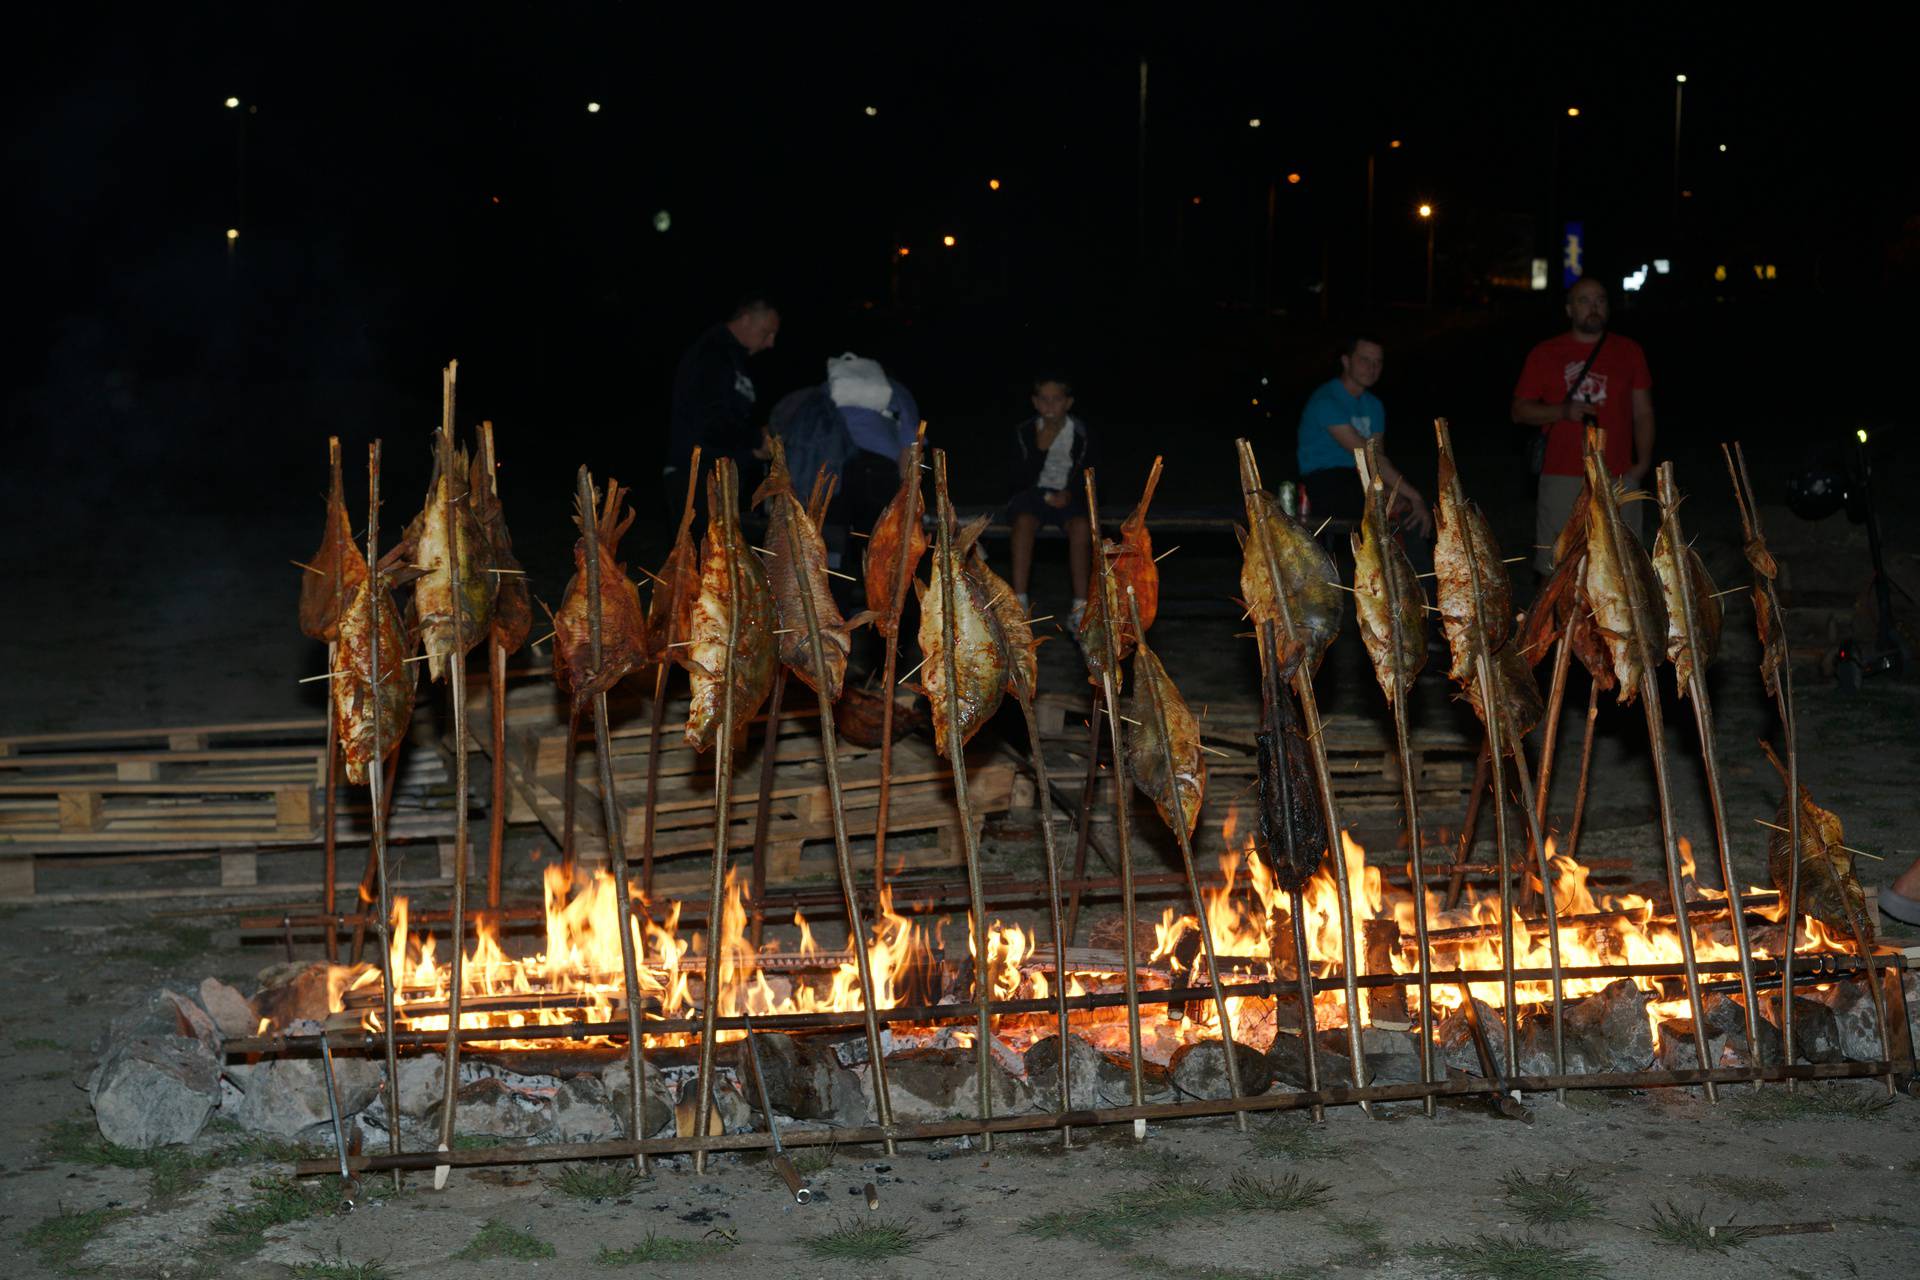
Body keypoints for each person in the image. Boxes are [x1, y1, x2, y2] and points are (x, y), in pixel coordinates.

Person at [1512, 277, 1655, 573]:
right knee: (1560, 564)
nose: (1594, 307)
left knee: (1624, 566)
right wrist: (1563, 411)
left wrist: (1641, 464)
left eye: (1600, 300)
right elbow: (1519, 412)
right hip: (1563, 474)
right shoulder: (1545, 353)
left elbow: (1643, 412)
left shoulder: (1629, 351)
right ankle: (1561, 621)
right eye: (1584, 300)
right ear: (1569, 309)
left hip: (1617, 473)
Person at [1295, 334, 1432, 537]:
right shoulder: (1326, 400)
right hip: (1325, 479)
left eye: (1378, 362)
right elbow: (1370, 456)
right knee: (1392, 506)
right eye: (1365, 360)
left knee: (1410, 514)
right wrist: (1415, 496)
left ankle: (1412, 569)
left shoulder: (1374, 405)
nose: (1372, 367)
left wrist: (1398, 495)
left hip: (1362, 478)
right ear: (1346, 361)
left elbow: (1378, 458)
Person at [666, 296, 781, 518]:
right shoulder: (711, 354)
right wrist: (758, 438)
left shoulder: (737, 361)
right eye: (767, 332)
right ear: (746, 319)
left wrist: (754, 452)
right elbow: (710, 422)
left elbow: (731, 425)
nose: (771, 343)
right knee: (703, 552)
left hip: (723, 478)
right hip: (696, 479)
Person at [1006, 374, 1093, 628]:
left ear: (1068, 403)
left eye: (1056, 399)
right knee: (1023, 523)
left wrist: (1070, 493)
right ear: (1035, 402)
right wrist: (1039, 450)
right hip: (1033, 495)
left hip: (1068, 495)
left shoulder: (1081, 432)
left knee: (1081, 527)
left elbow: (1092, 472)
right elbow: (1016, 479)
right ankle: (1019, 603)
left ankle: (1080, 606)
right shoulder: (1024, 432)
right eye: (1044, 399)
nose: (1050, 405)